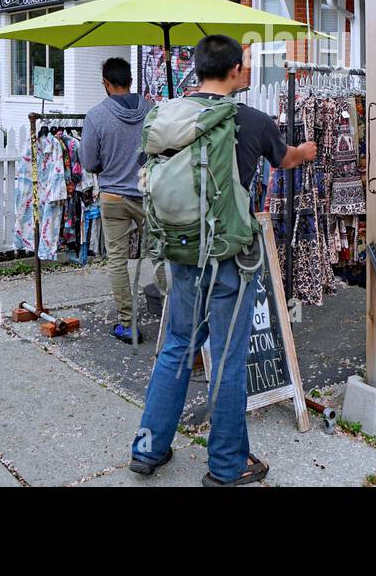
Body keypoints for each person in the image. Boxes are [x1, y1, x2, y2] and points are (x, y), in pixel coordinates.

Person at [129, 34, 316, 486]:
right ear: (233, 70)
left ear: (197, 69)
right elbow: (286, 159)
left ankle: (148, 448)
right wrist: (307, 152)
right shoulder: (251, 119)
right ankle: (228, 466)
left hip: (181, 251)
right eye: (246, 64)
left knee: (177, 347)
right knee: (228, 359)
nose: (248, 70)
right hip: (229, 258)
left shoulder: (169, 115)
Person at [80, 56, 167, 344]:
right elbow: (163, 152)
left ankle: (128, 325)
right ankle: (176, 318)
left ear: (106, 83)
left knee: (117, 260)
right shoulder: (152, 111)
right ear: (131, 80)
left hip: (114, 197)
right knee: (159, 254)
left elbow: (89, 161)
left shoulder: (96, 116)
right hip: (149, 195)